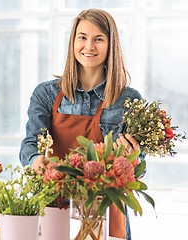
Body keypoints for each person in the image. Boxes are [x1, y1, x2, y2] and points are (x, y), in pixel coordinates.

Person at [19, 9, 145, 240]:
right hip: (56, 205)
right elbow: (30, 143)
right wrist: (36, 160)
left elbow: (140, 169)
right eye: (82, 37)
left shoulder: (129, 99)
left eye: (99, 39)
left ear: (111, 45)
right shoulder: (46, 94)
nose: (89, 46)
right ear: (73, 41)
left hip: (106, 211)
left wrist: (133, 157)